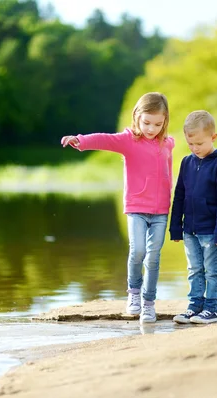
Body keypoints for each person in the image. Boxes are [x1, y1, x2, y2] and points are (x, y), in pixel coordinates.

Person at [60, 92, 174, 324]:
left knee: (153, 257)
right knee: (138, 250)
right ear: (137, 117)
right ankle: (133, 295)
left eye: (157, 124)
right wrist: (79, 140)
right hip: (136, 207)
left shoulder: (168, 143)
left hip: (161, 210)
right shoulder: (128, 140)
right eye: (147, 123)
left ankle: (149, 304)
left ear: (165, 121)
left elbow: (168, 174)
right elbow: (104, 139)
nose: (152, 128)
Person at [170, 110, 217, 324]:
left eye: (199, 143)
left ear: (213, 137)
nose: (195, 148)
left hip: (211, 230)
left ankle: (213, 308)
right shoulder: (186, 162)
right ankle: (195, 306)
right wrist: (175, 227)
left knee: (212, 270)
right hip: (189, 229)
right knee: (194, 269)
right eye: (190, 144)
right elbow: (179, 195)